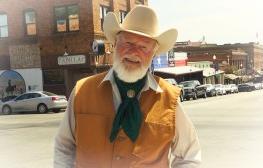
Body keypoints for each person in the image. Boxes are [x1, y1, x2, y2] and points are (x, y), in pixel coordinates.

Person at [54, 5, 201, 168]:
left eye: (144, 47)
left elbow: (189, 155)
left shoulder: (169, 99)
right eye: (128, 42)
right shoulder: (82, 91)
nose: (133, 52)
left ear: (153, 54)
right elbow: (64, 147)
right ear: (115, 43)